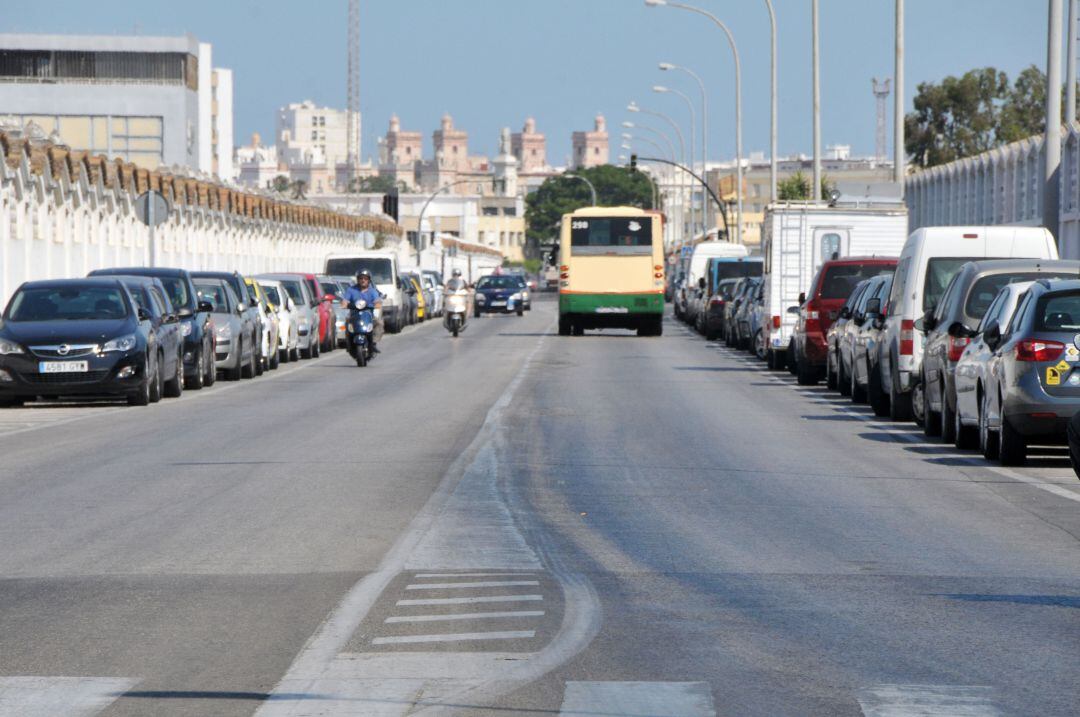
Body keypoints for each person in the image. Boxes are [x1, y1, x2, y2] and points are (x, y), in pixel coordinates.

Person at [341, 270, 383, 353]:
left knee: (379, 323)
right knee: (347, 324)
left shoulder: (373, 291)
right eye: (361, 278)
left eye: (365, 278)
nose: (363, 280)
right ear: (357, 279)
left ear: (369, 280)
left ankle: (373, 343)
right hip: (354, 315)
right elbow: (344, 302)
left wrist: (374, 305)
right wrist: (345, 305)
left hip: (368, 315)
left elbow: (378, 303)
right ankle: (349, 343)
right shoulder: (351, 290)